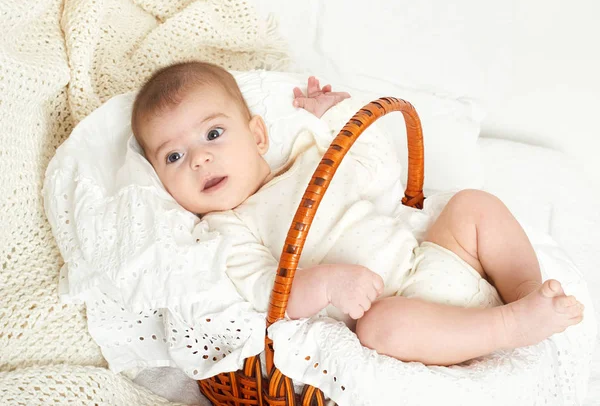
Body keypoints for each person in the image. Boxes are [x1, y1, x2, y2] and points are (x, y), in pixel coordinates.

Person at [130, 61, 584, 366]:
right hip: (404, 312)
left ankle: (529, 295)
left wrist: (336, 114)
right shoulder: (228, 230)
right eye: (173, 157)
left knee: (472, 205)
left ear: (259, 136)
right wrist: (327, 282)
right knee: (379, 328)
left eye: (213, 133)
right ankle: (507, 327)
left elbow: (375, 163)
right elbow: (271, 294)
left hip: (429, 260)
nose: (199, 159)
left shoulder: (311, 159)